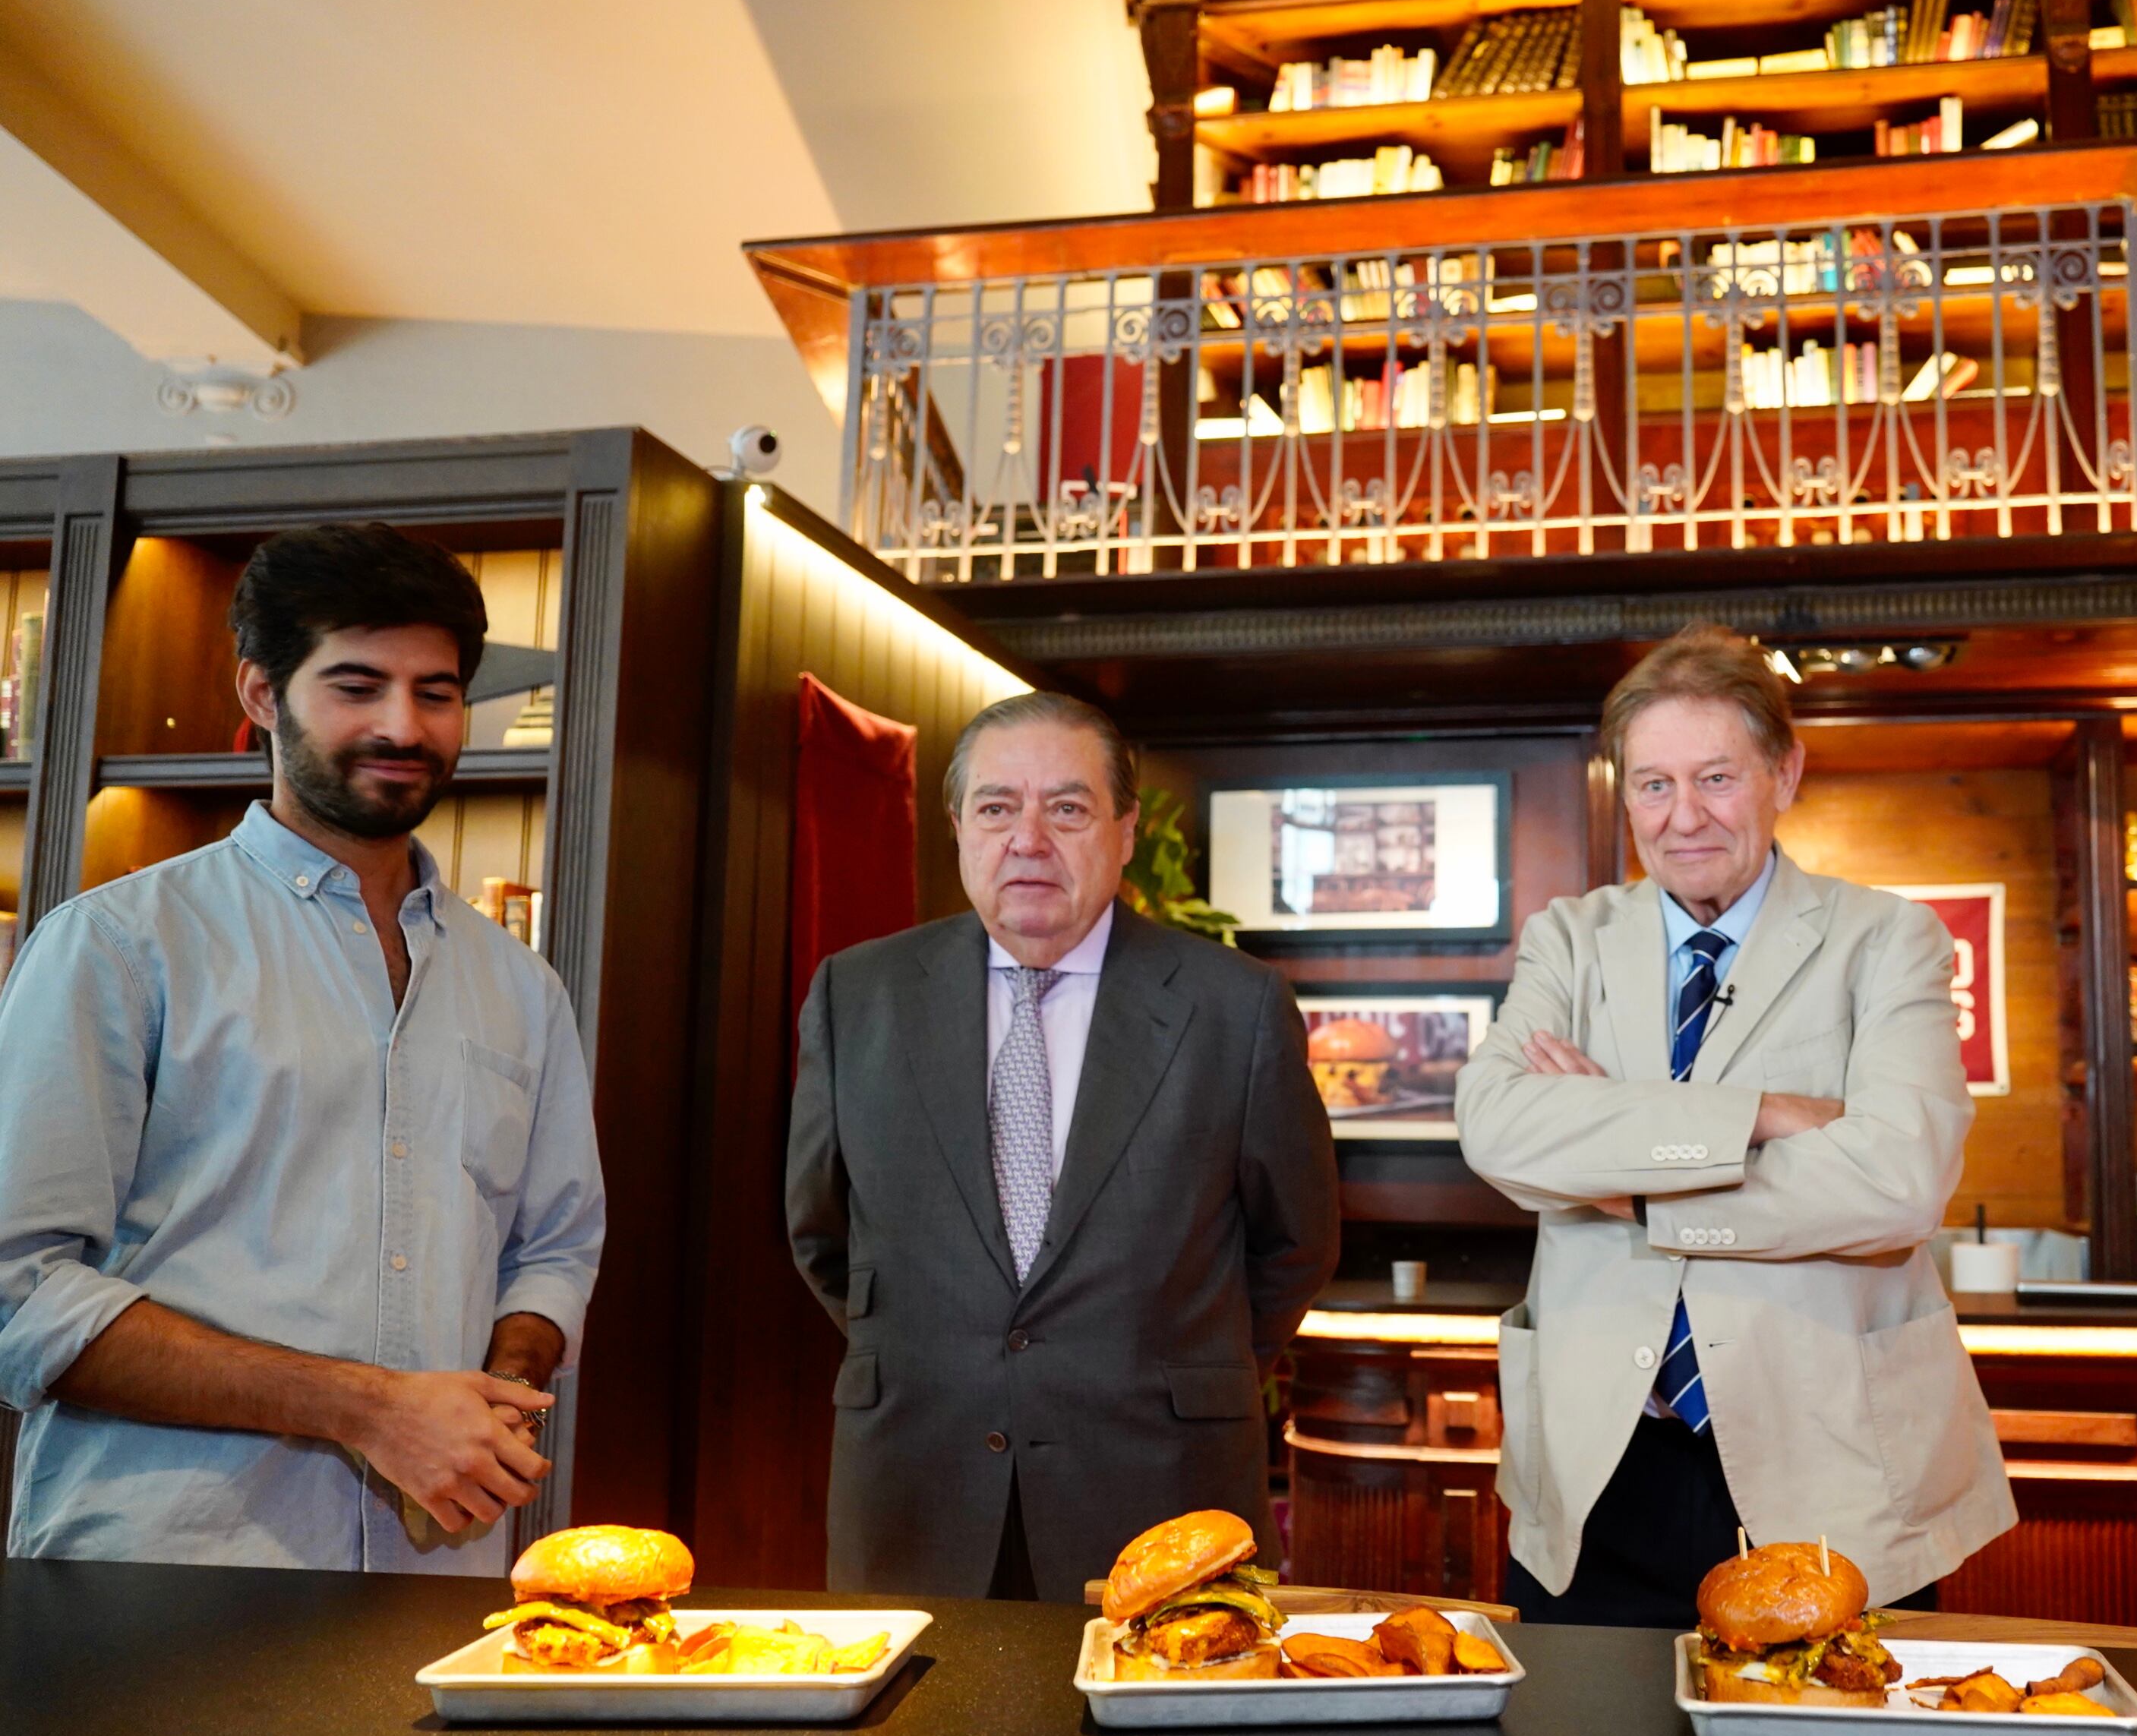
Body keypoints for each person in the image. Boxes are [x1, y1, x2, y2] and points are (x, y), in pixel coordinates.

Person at [0, 523, 602, 1570]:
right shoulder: (120, 945)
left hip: (438, 1578)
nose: (402, 727)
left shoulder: (522, 988)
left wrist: (497, 1400)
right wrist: (370, 1409)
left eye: (437, 692)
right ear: (261, 696)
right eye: (357, 687)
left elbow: (551, 1249)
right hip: (166, 1582)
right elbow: (19, 1289)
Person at [1455, 624, 2010, 1627]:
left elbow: (1899, 1181)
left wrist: (1625, 1184)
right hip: (1592, 1472)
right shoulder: (1567, 942)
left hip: (1832, 1478)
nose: (1681, 818)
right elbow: (1497, 1128)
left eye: (1715, 778)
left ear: (1783, 773)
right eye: (1652, 785)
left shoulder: (1886, 942)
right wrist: (1761, 1116)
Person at [787, 691, 1338, 1602]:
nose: (1028, 838)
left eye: (1068, 807)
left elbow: (1298, 1244)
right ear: (960, 826)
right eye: (998, 807)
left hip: (1160, 1492)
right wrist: (959, 1351)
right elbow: (820, 1232)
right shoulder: (859, 995)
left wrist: (1169, 1362)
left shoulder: (1234, 1009)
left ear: (1123, 832)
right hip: (919, 1490)